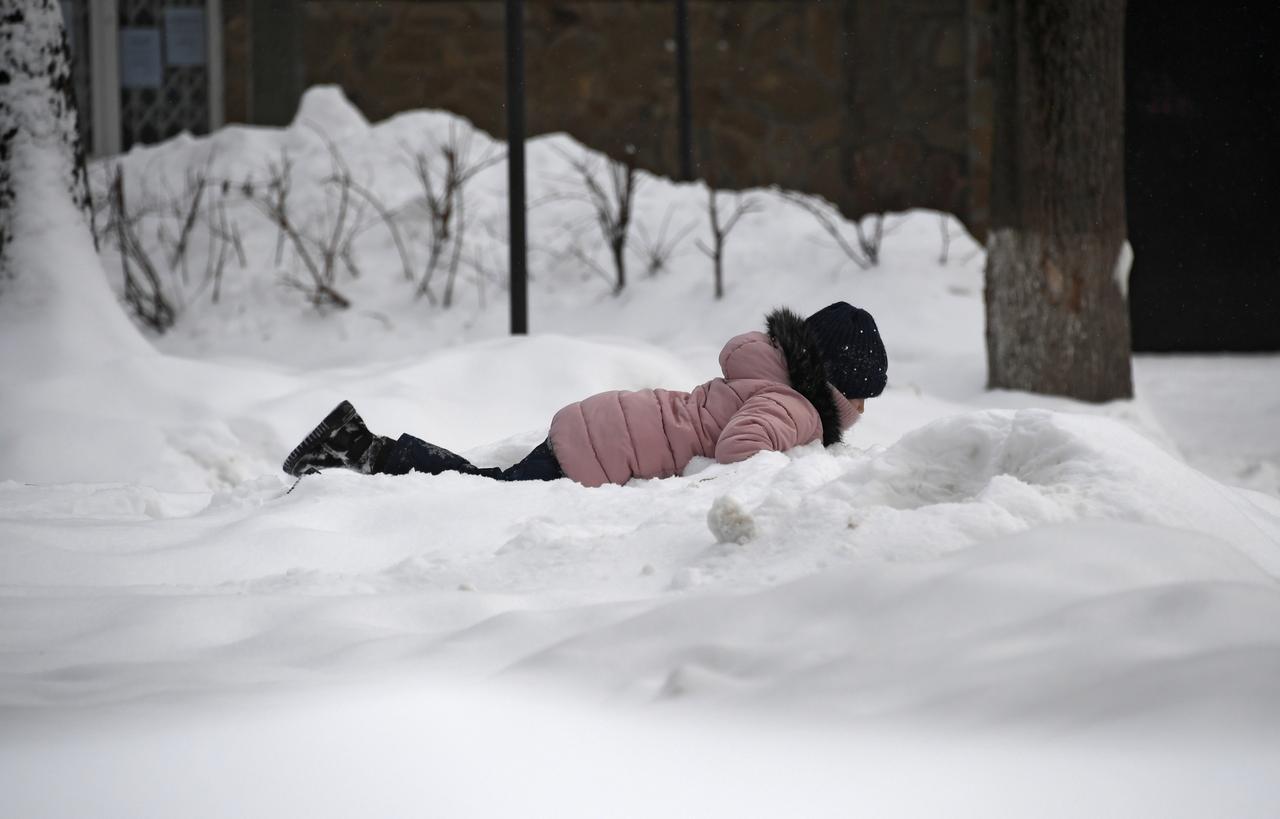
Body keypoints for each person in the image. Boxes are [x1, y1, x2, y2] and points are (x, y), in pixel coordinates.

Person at [282, 302, 888, 488]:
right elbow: (741, 449)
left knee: (488, 486)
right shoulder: (796, 410)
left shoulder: (765, 377)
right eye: (861, 400)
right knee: (483, 492)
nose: (860, 415)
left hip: (605, 424)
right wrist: (778, 471)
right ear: (836, 389)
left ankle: (355, 447)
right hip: (600, 452)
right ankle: (357, 448)